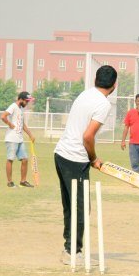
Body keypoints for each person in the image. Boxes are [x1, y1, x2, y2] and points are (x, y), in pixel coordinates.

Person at [54, 65, 118, 264]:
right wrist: (93, 159)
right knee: (81, 207)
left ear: (95, 80)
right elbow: (88, 136)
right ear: (114, 85)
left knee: (70, 206)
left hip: (61, 153)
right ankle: (73, 251)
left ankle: (70, 249)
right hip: (75, 158)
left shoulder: (85, 94)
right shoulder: (103, 104)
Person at [0, 91, 35, 188]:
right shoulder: (13, 106)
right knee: (10, 159)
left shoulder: (20, 110)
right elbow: (3, 116)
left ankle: (23, 181)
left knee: (24, 159)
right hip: (11, 138)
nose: (27, 103)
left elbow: (22, 124)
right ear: (21, 99)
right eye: (26, 101)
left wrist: (30, 135)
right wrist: (9, 124)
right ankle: (10, 182)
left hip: (19, 139)